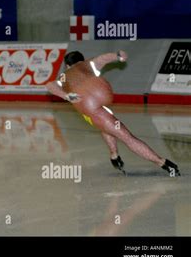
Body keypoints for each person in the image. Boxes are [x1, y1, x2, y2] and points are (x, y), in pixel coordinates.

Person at [46, 50, 180, 177]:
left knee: (105, 125)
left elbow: (50, 85)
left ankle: (114, 156)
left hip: (89, 109)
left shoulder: (65, 75)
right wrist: (117, 55)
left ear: (67, 65)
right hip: (96, 106)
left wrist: (66, 96)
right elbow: (102, 58)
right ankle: (164, 163)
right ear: (81, 60)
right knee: (127, 137)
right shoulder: (87, 64)